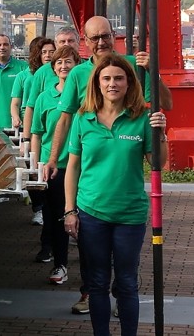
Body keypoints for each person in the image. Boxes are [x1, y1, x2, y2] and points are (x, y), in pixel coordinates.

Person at [43, 16, 168, 315]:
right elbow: (66, 116)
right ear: (84, 42)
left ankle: (122, 291)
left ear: (115, 36)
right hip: (89, 167)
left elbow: (165, 103)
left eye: (105, 36)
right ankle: (90, 292)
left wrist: (153, 72)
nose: (101, 42)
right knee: (91, 249)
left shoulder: (131, 66)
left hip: (124, 182)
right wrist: (52, 158)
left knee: (124, 264)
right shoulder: (78, 75)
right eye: (94, 37)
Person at [63, 53, 167, 336]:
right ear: (97, 83)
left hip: (129, 214)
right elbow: (72, 167)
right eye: (106, 78)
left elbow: (158, 163)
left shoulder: (141, 119)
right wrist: (70, 210)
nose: (112, 84)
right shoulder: (82, 119)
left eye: (119, 78)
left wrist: (161, 133)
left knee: (126, 282)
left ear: (128, 83)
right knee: (96, 282)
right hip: (91, 212)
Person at [30, 44, 78, 286]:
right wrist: (37, 165)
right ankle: (60, 264)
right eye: (59, 62)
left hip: (81, 166)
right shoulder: (44, 98)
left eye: (68, 61)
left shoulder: (86, 96)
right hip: (54, 167)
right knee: (56, 218)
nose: (63, 66)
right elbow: (37, 133)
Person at [13, 37, 54, 230]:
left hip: (53, 130)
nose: (48, 55)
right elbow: (26, 105)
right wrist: (25, 136)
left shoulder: (60, 73)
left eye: (51, 51)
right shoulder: (29, 76)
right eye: (43, 52)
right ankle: (39, 208)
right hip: (33, 129)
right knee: (34, 170)